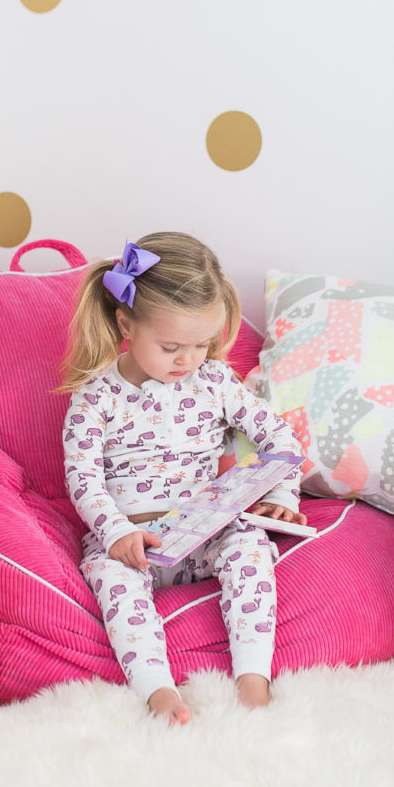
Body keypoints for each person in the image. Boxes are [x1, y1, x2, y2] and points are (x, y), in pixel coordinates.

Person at [61, 232, 307, 725]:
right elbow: (82, 478)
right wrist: (117, 534)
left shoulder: (215, 381)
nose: (188, 360)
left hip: (207, 531)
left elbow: (280, 439)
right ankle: (159, 694)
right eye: (171, 346)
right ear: (126, 323)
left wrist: (279, 493)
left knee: (252, 547)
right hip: (136, 545)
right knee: (115, 584)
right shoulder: (95, 400)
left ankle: (253, 681)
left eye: (201, 344)